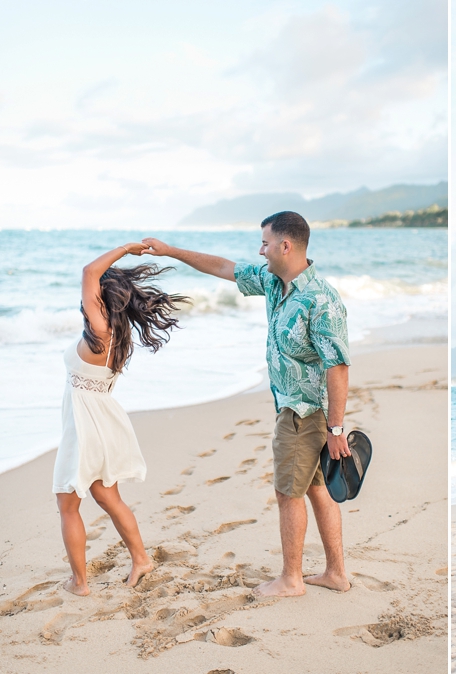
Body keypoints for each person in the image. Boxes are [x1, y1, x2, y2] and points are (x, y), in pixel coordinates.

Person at [141, 211, 353, 597]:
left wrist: (336, 429)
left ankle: (292, 580)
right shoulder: (274, 283)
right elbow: (223, 266)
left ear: (285, 246)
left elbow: (337, 366)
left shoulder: (321, 299)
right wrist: (171, 251)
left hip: (304, 413)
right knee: (315, 488)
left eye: (265, 243)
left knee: (288, 493)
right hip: (294, 408)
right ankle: (336, 574)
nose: (261, 250)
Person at [54, 243, 189, 595]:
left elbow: (88, 271)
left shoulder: (98, 333)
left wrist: (127, 249)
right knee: (109, 498)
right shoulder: (117, 338)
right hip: (104, 424)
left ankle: (79, 583)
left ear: (101, 299)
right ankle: (141, 559)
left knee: (68, 506)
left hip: (85, 430)